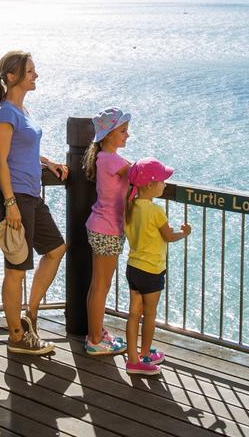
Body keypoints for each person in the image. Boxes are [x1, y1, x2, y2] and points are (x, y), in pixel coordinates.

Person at [0, 50, 69, 355]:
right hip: (15, 197)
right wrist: (10, 204)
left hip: (30, 195)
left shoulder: (22, 111)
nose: (36, 75)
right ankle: (17, 337)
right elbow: (1, 159)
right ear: (12, 76)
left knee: (57, 248)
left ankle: (29, 314)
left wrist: (47, 162)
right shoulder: (5, 113)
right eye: (30, 71)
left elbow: (22, 150)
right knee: (16, 269)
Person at [122, 157, 190, 376]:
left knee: (133, 314)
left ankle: (132, 359)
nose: (165, 185)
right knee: (149, 314)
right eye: (162, 181)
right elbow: (169, 236)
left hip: (133, 267)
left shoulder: (130, 207)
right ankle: (145, 356)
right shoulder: (156, 211)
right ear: (150, 185)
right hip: (152, 270)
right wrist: (185, 233)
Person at [82, 107, 131, 356]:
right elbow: (139, 174)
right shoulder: (113, 160)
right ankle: (94, 340)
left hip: (99, 226)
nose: (127, 135)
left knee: (96, 285)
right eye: (122, 131)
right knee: (102, 286)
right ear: (109, 134)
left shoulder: (103, 158)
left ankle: (96, 333)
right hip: (108, 229)